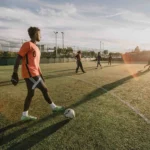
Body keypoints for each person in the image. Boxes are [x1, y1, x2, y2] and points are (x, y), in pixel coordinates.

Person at [11, 27, 64, 121]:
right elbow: (18, 57)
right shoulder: (28, 44)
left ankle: (24, 115)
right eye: (40, 34)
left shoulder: (37, 48)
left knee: (30, 94)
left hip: (35, 73)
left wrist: (41, 76)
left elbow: (37, 64)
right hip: (30, 73)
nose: (41, 36)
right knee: (44, 89)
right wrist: (14, 73)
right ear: (36, 34)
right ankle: (54, 107)